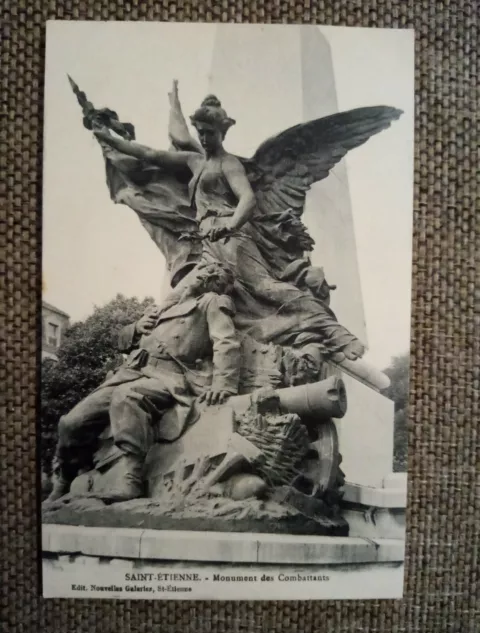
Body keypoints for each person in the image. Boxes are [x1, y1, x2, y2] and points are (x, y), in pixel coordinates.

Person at [94, 92, 365, 361]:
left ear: (221, 133)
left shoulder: (230, 164)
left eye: (208, 133)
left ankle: (335, 332)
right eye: (200, 132)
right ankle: (147, 347)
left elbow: (247, 199)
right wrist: (109, 139)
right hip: (209, 246)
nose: (202, 138)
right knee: (181, 295)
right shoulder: (194, 161)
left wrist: (229, 226)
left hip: (233, 239)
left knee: (265, 288)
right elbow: (150, 153)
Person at [46, 261, 240, 503]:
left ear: (212, 281)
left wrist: (222, 384)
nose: (190, 278)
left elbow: (226, 342)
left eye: (201, 273)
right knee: (71, 422)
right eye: (190, 274)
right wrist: (137, 327)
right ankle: (63, 479)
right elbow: (121, 342)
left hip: (169, 378)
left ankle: (131, 480)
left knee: (127, 398)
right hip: (131, 372)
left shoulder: (210, 302)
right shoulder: (161, 309)